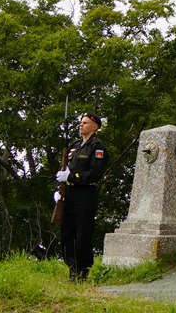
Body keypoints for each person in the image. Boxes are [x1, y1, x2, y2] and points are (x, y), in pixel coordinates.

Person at [55, 113, 108, 281]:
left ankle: (82, 271)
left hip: (84, 195)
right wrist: (59, 190)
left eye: (85, 123)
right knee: (66, 233)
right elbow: (66, 169)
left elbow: (94, 174)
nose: (81, 125)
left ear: (95, 127)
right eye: (80, 122)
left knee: (82, 234)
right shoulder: (75, 146)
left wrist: (71, 177)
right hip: (69, 194)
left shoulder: (97, 147)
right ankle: (71, 267)